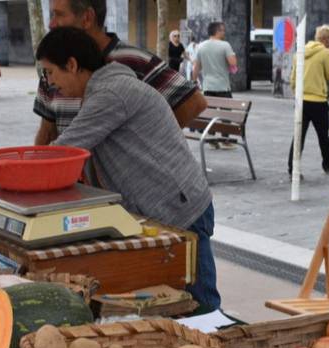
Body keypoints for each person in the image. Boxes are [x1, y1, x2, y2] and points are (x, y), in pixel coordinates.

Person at [37, 27, 220, 309]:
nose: (50, 84)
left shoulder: (111, 93)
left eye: (50, 73)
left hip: (181, 211)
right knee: (169, 307)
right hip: (161, 209)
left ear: (72, 65)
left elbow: (66, 150)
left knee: (200, 308)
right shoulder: (103, 87)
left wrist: (3, 174)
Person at [31, 0, 206, 145]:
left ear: (87, 18)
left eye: (59, 14)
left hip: (124, 186)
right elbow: (47, 131)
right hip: (74, 183)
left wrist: (148, 146)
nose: (51, 23)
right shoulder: (54, 68)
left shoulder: (135, 61)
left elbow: (194, 103)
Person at [287, 24, 329, 178]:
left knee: (298, 135)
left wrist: (299, 93)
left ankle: (293, 169)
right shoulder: (325, 52)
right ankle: (328, 163)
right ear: (328, 39)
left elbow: (292, 80)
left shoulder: (299, 52)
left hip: (301, 101)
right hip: (318, 102)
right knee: (323, 136)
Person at [193, 22, 237, 99]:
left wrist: (194, 81)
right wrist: (233, 54)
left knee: (210, 110)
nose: (224, 33)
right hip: (222, 87)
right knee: (225, 111)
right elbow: (233, 63)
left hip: (207, 87)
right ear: (217, 31)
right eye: (223, 30)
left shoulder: (201, 46)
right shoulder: (225, 45)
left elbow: (196, 68)